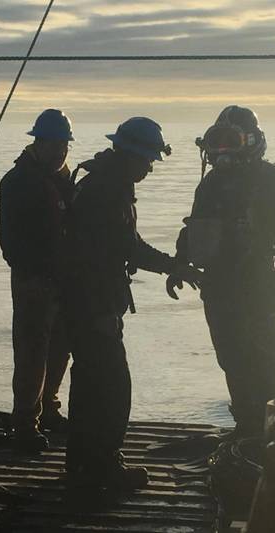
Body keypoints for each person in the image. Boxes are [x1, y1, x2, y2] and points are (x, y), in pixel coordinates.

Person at [64, 117, 203, 489]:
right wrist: (100, 313)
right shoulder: (106, 194)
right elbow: (104, 255)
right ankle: (102, 466)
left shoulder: (105, 186)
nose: (150, 167)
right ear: (130, 155)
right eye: (147, 159)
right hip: (94, 306)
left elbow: (126, 246)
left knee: (89, 384)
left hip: (85, 304)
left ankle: (81, 463)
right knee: (112, 388)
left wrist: (174, 266)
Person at [168, 105, 275, 437]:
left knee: (262, 361)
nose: (222, 151)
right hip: (219, 287)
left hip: (258, 286)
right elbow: (194, 226)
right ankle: (246, 425)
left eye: (230, 141)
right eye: (216, 141)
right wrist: (179, 263)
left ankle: (266, 432)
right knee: (231, 357)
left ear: (251, 141)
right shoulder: (211, 183)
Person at [0, 109, 74, 452]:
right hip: (33, 280)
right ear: (38, 143)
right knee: (32, 352)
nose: (61, 152)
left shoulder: (61, 178)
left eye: (64, 145)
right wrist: (40, 269)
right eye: (55, 145)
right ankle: (25, 422)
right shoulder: (17, 182)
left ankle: (48, 409)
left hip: (61, 278)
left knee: (59, 346)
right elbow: (11, 243)